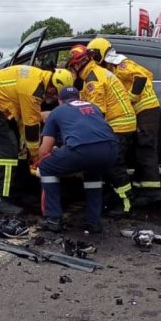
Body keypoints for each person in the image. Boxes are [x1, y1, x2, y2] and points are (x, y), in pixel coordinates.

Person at [0, 65, 74, 216]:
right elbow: (31, 127)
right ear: (51, 87)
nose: (55, 98)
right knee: (7, 153)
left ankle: (16, 193)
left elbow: (24, 120)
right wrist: (36, 155)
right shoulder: (32, 91)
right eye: (56, 93)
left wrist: (26, 149)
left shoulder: (40, 78)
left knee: (17, 148)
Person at [86, 37, 161, 208]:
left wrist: (132, 97)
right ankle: (141, 189)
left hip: (146, 109)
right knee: (139, 150)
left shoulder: (120, 63)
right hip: (139, 112)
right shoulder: (110, 67)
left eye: (93, 55)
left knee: (146, 149)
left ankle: (152, 194)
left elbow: (142, 77)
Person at [36, 86, 118, 233]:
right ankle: (94, 221)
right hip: (110, 150)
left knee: (46, 166)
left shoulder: (57, 112)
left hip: (82, 150)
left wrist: (37, 161)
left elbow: (44, 150)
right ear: (79, 98)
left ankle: (53, 218)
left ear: (60, 101)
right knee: (92, 172)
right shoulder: (93, 107)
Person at [67, 44, 136, 215]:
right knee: (106, 164)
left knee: (114, 165)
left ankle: (126, 203)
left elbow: (96, 112)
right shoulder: (93, 74)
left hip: (119, 124)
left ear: (77, 64)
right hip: (117, 123)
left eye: (72, 67)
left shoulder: (93, 80)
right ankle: (111, 198)